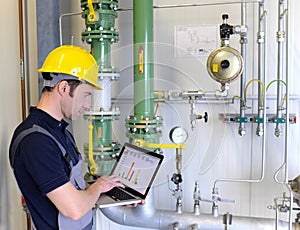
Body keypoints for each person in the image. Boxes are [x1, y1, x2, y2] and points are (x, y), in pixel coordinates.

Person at [9, 45, 124, 230]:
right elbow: (74, 209)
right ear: (63, 87)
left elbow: (73, 189)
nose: (87, 105)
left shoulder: (59, 131)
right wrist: (98, 187)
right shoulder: (36, 141)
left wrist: (112, 195)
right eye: (86, 95)